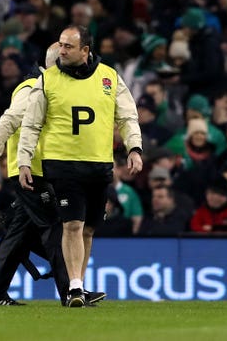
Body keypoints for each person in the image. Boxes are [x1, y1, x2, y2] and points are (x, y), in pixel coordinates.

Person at [18, 25, 143, 307]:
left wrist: (134, 147)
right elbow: (31, 123)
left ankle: (79, 286)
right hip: (62, 163)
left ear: (85, 50)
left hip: (98, 164)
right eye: (60, 45)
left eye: (68, 46)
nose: (61, 50)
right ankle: (73, 287)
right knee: (72, 224)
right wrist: (24, 160)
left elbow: (127, 116)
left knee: (88, 228)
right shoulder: (48, 80)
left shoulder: (109, 77)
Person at [0, 42, 77, 306]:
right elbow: (8, 121)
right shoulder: (32, 87)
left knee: (19, 235)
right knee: (54, 228)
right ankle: (71, 293)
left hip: (37, 168)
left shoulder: (50, 86)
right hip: (29, 170)